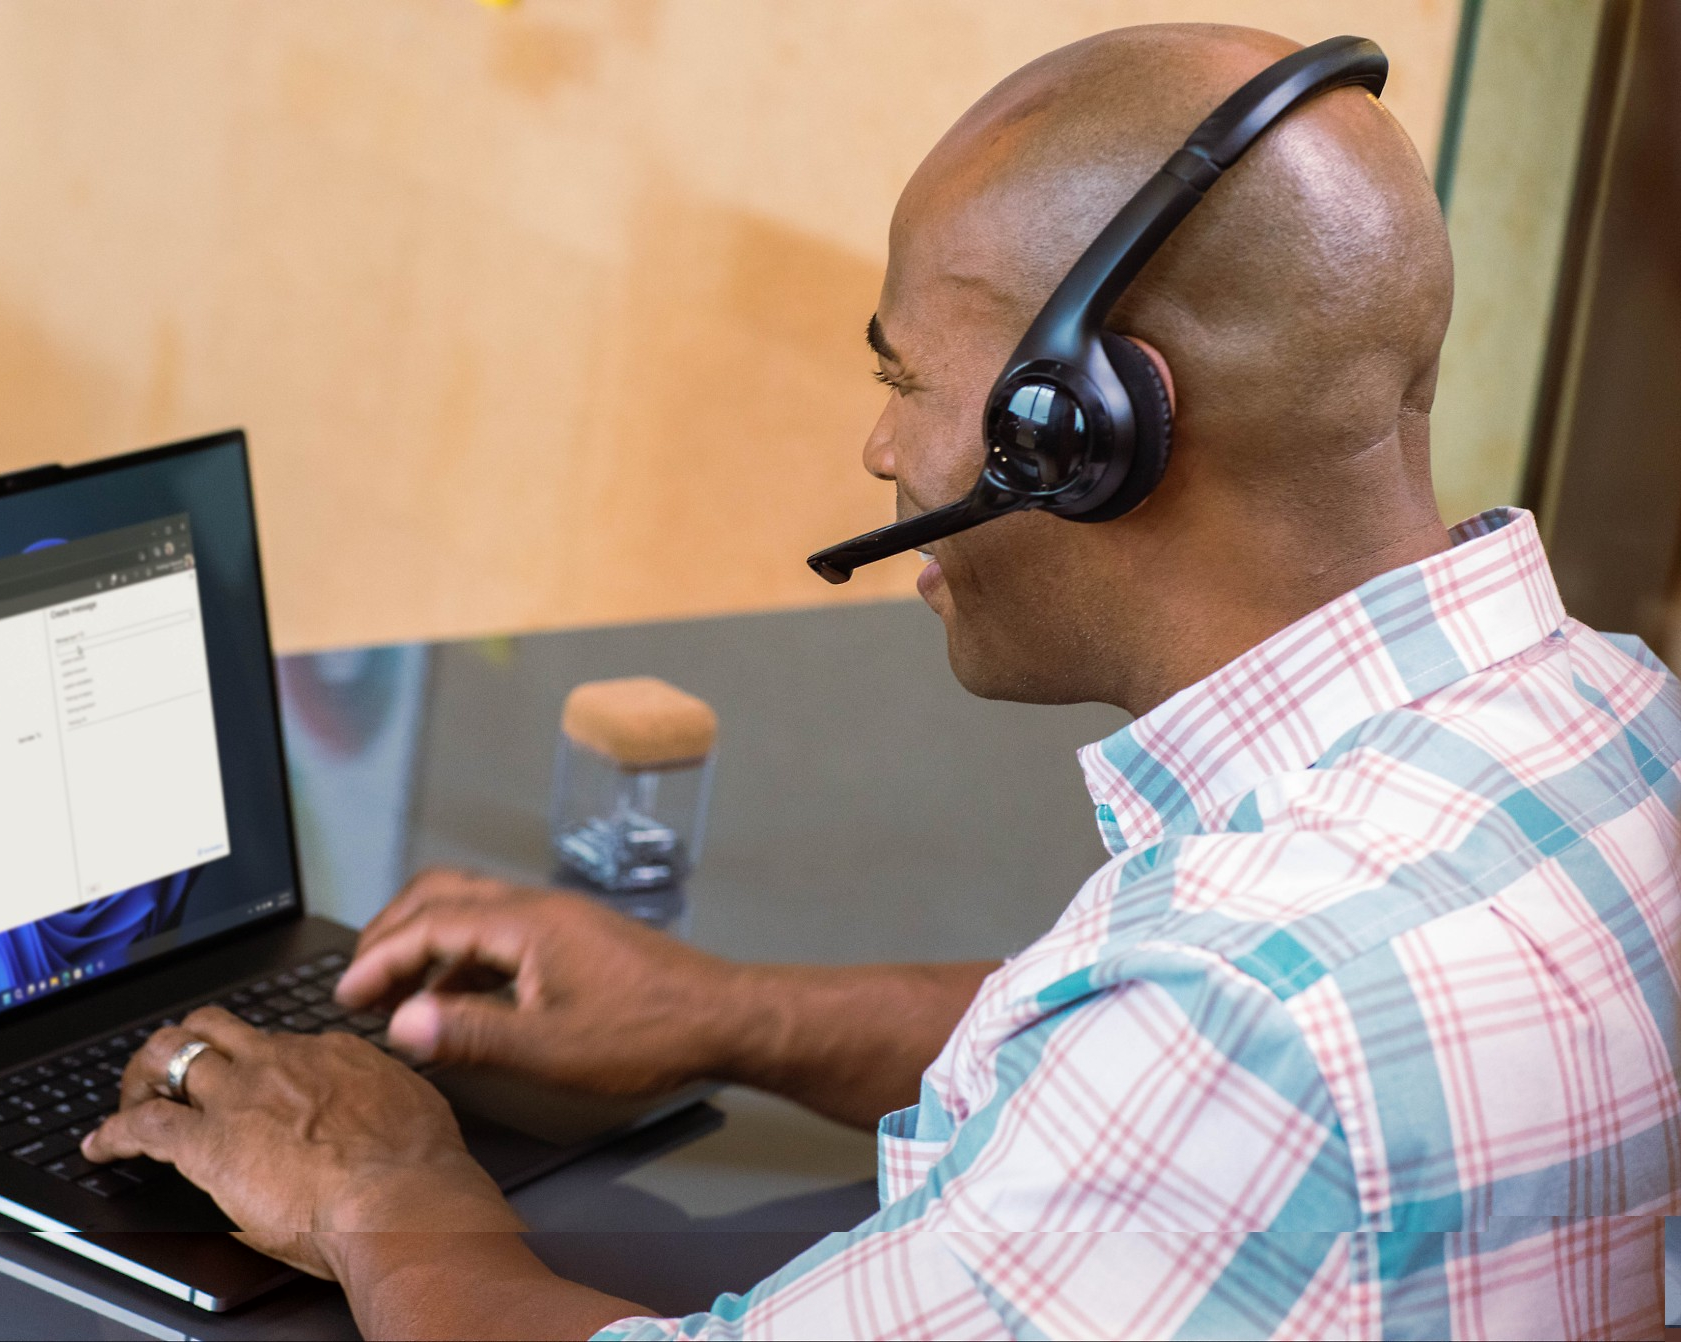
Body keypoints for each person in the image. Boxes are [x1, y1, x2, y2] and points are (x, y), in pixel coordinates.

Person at [82, 23, 1679, 1340]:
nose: (879, 448)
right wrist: (733, 1016)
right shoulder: (1614, 723)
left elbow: (1209, 1057)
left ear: (1085, 431)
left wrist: (387, 1195)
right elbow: (1124, 1074)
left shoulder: (1238, 1022)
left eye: (906, 375)